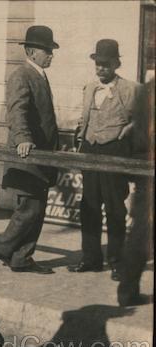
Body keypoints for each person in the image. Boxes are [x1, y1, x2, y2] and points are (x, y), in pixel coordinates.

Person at [67, 39, 142, 281]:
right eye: (98, 64)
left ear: (116, 64)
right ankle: (91, 259)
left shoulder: (130, 89)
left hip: (115, 153)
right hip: (91, 151)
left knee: (115, 209)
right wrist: (80, 137)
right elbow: (84, 117)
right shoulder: (89, 87)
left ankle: (118, 261)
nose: (101, 69)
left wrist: (127, 131)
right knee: (89, 207)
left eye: (106, 65)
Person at [0, 26, 59, 275]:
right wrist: (22, 138)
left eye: (52, 50)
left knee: (38, 209)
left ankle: (22, 258)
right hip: (27, 154)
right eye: (47, 50)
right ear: (31, 51)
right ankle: (4, 248)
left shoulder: (40, 75)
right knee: (29, 208)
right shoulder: (21, 75)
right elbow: (17, 109)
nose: (51, 54)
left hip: (43, 156)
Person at [117, 75, 154, 306]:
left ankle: (127, 292)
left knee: (140, 233)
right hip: (150, 170)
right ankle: (127, 291)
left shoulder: (145, 90)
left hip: (144, 171)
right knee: (142, 233)